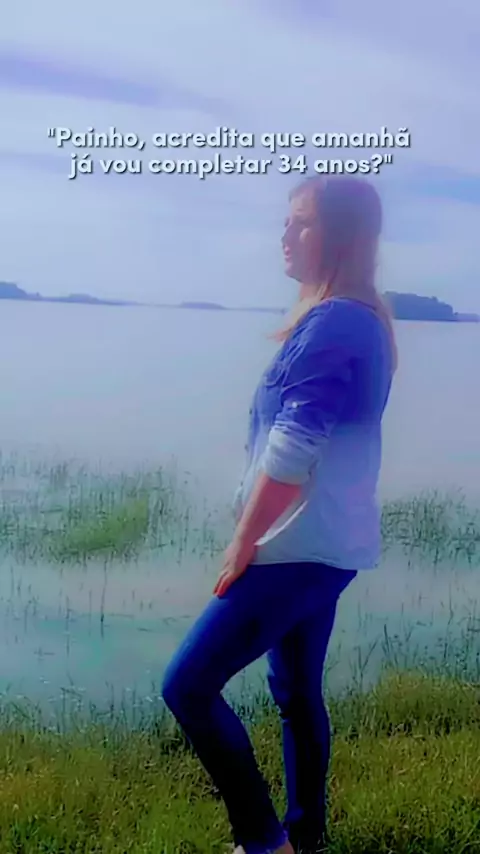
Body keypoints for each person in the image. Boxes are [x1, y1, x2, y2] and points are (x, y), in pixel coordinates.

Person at [162, 175, 396, 854]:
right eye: (287, 221)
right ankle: (305, 838)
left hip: (296, 547)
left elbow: (295, 445)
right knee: (294, 692)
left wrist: (243, 541)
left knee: (189, 687)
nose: (285, 235)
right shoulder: (354, 319)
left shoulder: (337, 322)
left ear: (340, 236)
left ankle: (265, 842)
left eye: (301, 222)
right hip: (328, 546)